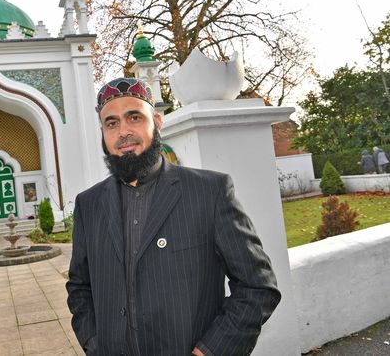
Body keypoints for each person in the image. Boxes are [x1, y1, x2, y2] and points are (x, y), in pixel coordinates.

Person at [66, 78, 281, 356]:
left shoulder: (209, 192)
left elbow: (257, 286)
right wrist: (94, 343)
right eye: (111, 123)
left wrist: (208, 352)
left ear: (157, 121)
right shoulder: (89, 204)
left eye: (134, 117)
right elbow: (80, 287)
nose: (123, 132)